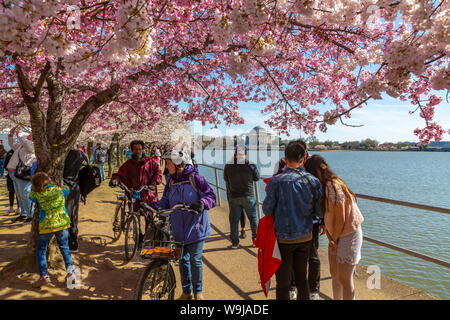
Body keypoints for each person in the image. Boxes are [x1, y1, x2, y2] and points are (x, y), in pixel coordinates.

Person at [262, 141, 323, 300]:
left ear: (285, 159)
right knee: (302, 280)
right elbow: (319, 212)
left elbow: (267, 210)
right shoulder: (313, 181)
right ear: (303, 159)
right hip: (305, 237)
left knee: (283, 282)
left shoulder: (276, 181)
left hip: (283, 239)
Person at [153, 149, 216, 300]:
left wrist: (202, 203)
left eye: (168, 163)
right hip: (178, 229)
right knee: (182, 259)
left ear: (178, 163)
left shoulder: (196, 178)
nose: (166, 166)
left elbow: (211, 196)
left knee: (195, 260)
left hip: (196, 227)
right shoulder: (171, 181)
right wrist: (154, 206)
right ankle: (186, 291)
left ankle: (198, 292)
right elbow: (166, 200)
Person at [304, 155, 364, 300]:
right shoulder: (327, 185)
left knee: (345, 279)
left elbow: (341, 218)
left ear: (315, 172)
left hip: (348, 234)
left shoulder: (333, 185)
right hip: (336, 235)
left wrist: (334, 239)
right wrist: (332, 238)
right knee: (335, 274)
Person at [109, 140, 162, 243]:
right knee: (135, 217)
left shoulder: (150, 162)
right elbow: (119, 174)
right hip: (134, 195)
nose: (138, 151)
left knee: (149, 218)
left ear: (142, 149)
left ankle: (148, 239)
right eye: (135, 149)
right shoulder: (128, 164)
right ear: (132, 150)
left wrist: (153, 183)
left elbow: (158, 173)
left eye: (139, 149)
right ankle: (138, 239)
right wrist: (115, 180)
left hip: (148, 195)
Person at [29, 172, 74, 288]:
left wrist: (35, 189)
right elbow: (67, 189)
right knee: (65, 248)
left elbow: (30, 196)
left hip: (46, 226)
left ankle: (44, 276)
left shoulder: (38, 195)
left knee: (41, 249)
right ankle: (71, 273)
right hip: (62, 225)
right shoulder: (60, 190)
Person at [223, 146, 260, 249]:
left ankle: (235, 243)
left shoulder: (228, 165)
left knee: (234, 221)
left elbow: (225, 178)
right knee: (253, 219)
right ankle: (256, 240)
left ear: (235, 154)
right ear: (246, 153)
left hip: (234, 196)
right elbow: (257, 177)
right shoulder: (250, 164)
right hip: (248, 195)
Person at [63, 147, 89, 253]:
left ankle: (69, 243)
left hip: (62, 186)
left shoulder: (61, 154)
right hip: (75, 187)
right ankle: (73, 243)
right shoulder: (80, 154)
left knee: (64, 215)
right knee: (72, 216)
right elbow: (87, 169)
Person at [7, 126, 35, 224]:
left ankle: (31, 215)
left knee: (25, 194)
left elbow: (27, 144)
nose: (28, 136)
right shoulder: (22, 145)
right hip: (14, 173)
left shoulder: (32, 146)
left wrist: (20, 135)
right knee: (19, 195)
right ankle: (24, 214)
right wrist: (11, 134)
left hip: (23, 174)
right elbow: (12, 144)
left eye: (31, 135)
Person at [4, 149, 20, 214]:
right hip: (18, 175)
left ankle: (13, 207)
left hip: (12, 174)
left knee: (12, 192)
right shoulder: (20, 151)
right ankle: (17, 208)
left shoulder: (10, 152)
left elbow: (5, 166)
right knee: (15, 192)